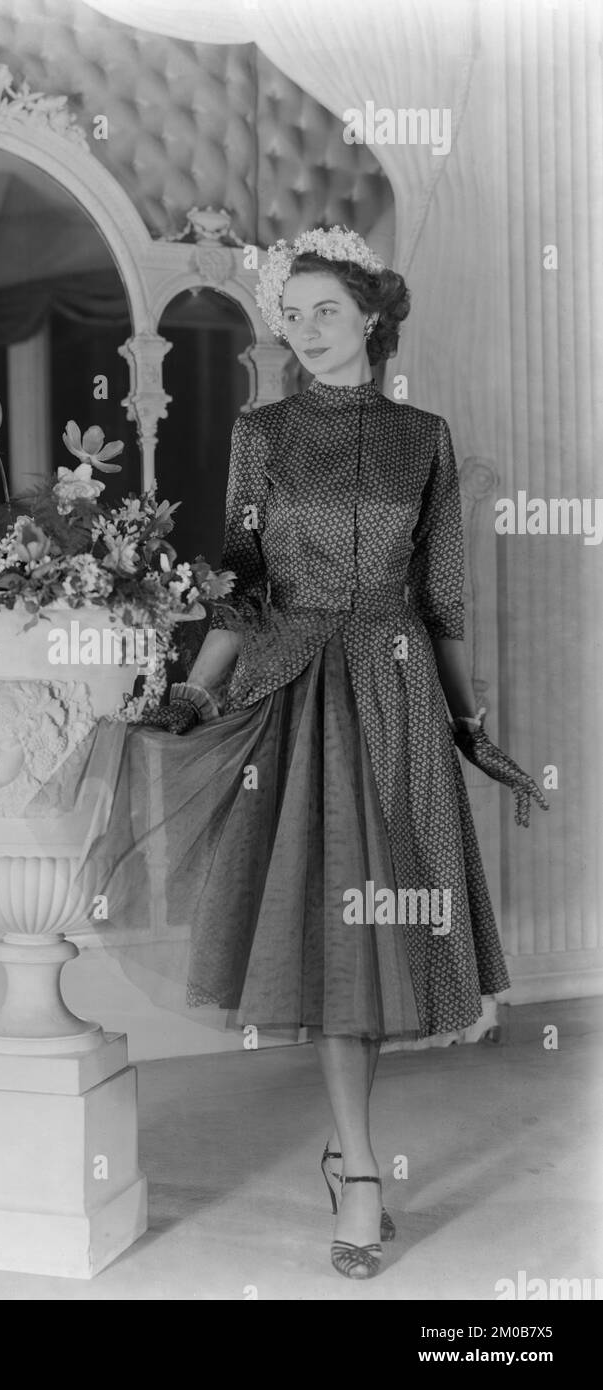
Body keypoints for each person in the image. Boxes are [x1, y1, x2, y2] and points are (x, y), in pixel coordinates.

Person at [73, 226, 547, 1281]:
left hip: (395, 686)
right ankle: (364, 1168)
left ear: (372, 315)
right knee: (329, 925)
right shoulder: (261, 433)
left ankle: (353, 1157)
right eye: (289, 314)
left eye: (323, 309)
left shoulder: (424, 436)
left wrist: (473, 734)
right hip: (288, 689)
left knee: (379, 925)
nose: (302, 329)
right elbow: (241, 575)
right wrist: (196, 687)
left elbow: (444, 600)